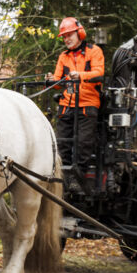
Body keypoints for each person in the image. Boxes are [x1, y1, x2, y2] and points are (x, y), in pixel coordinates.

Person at [51, 17, 104, 188]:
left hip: (87, 104)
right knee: (62, 143)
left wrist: (79, 75)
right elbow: (58, 83)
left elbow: (98, 74)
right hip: (67, 104)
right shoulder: (63, 57)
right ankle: (62, 180)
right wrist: (51, 80)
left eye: (69, 35)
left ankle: (77, 179)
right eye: (64, 36)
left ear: (79, 33)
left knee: (83, 144)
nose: (66, 39)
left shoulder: (93, 51)